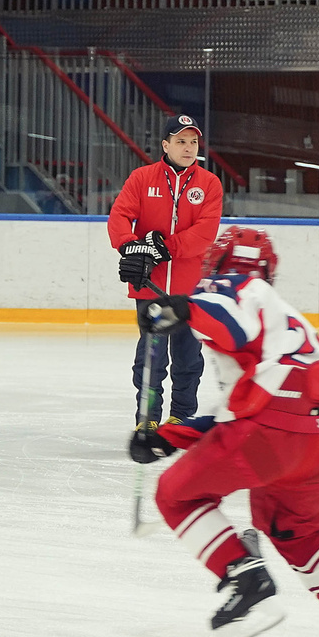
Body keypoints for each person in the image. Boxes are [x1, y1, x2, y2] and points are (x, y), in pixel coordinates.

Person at [127, 226, 319, 637]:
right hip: (318, 442)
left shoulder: (231, 288)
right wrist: (167, 438)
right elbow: (236, 407)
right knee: (294, 530)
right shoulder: (284, 315)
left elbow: (228, 323)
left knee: (176, 495)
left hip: (267, 434)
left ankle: (245, 576)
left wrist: (185, 308)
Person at [108, 115, 223, 422]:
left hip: (191, 290)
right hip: (150, 285)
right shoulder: (142, 178)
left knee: (188, 360)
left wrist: (165, 248)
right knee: (151, 359)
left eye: (193, 142)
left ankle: (181, 419)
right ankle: (147, 418)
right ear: (165, 145)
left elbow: (205, 233)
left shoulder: (209, 184)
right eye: (181, 141)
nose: (188, 148)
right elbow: (119, 216)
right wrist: (129, 246)